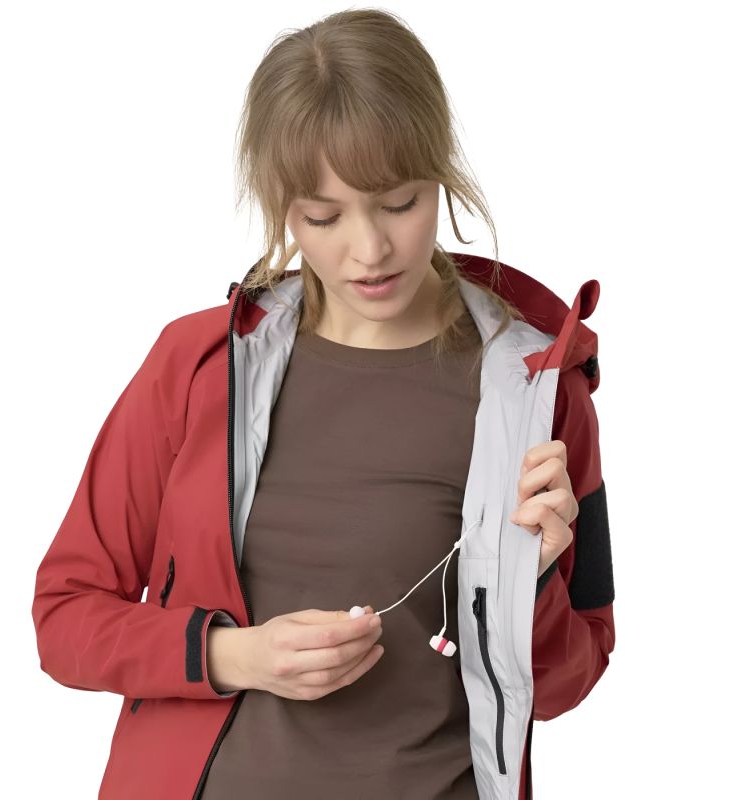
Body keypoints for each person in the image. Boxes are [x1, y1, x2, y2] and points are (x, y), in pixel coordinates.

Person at [31, 8, 615, 799]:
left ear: (441, 174)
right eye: (323, 216)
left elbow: (572, 679)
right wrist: (235, 656)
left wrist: (532, 585)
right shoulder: (195, 365)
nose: (369, 250)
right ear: (282, 207)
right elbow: (64, 618)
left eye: (399, 203)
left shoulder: (540, 385)